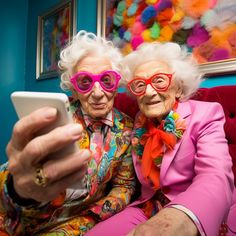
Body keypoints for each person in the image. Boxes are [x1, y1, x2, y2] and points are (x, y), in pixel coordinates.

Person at [86, 42, 235, 236]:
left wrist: (180, 216)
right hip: (148, 206)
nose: (148, 92)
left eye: (159, 81)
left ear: (179, 88)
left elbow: (216, 175)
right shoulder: (137, 123)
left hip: (199, 207)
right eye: (140, 85)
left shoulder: (206, 113)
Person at [0, 30, 136, 235]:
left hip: (73, 223)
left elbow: (124, 187)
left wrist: (88, 219)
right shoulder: (53, 119)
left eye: (107, 80)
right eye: (85, 81)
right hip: (19, 220)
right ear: (73, 89)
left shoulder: (127, 129)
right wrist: (18, 190)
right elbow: (18, 171)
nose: (98, 93)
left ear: (117, 85)